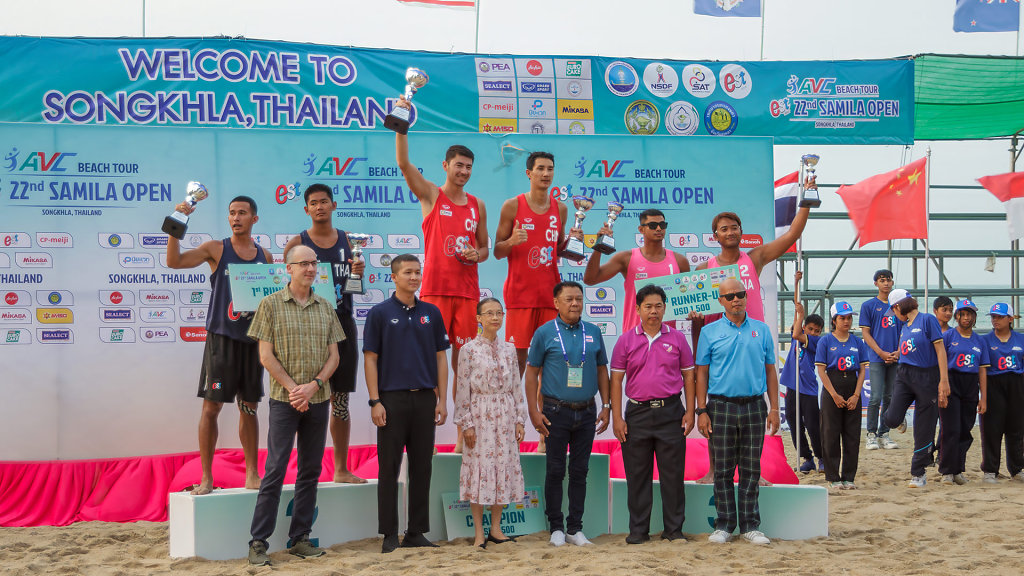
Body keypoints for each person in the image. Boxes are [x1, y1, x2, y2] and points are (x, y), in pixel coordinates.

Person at [395, 97, 489, 453]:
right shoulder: (431, 195)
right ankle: (427, 440)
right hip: (435, 292)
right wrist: (402, 124)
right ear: (446, 165)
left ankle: (463, 439)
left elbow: (484, 247)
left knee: (465, 367)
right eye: (458, 165)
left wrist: (476, 254)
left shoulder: (478, 204)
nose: (463, 171)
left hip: (467, 295)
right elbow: (404, 164)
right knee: (428, 364)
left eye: (468, 167)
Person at [245, 245, 345, 566]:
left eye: (314, 263)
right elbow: (265, 355)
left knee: (310, 470)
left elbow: (334, 357)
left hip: (318, 400)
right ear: (288, 268)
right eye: (304, 263)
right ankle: (258, 542)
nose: (311, 269)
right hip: (284, 401)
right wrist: (294, 390)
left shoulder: (326, 307)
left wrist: (314, 385)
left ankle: (300, 538)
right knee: (275, 469)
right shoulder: (270, 304)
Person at [166, 195, 272, 495]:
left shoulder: (265, 256)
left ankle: (252, 474)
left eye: (242, 213)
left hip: (252, 342)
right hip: (221, 340)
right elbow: (174, 262)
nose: (236, 217)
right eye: (232, 213)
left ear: (254, 219)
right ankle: (206, 477)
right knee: (211, 407)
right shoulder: (216, 248)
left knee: (249, 407)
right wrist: (177, 221)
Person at [363, 254, 450, 552]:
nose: (414, 277)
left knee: (422, 467)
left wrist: (442, 399)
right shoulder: (379, 313)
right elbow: (370, 359)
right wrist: (375, 400)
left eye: (417, 272)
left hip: (425, 398)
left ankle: (415, 532)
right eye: (408, 272)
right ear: (394, 277)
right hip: (391, 399)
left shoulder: (431, 313)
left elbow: (441, 358)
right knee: (388, 467)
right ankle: (389, 534)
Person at [283, 183, 366, 484]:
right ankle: (305, 472)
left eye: (324, 202)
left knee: (340, 402)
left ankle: (341, 469)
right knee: (304, 399)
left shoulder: (349, 240)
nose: (319, 207)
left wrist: (358, 274)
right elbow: (285, 286)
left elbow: (355, 288)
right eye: (314, 203)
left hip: (341, 325)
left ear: (333, 205)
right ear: (306, 209)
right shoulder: (297, 243)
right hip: (306, 328)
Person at [695, 277, 780, 546]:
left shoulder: (762, 330)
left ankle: (750, 526)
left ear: (746, 296)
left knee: (751, 468)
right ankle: (724, 525)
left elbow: (770, 370)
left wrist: (774, 408)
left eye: (740, 294)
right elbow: (701, 373)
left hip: (755, 405)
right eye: (729, 296)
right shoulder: (709, 332)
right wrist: (701, 410)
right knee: (722, 469)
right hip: (720, 406)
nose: (736, 300)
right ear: (720, 300)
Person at [525, 281, 610, 547]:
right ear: (556, 303)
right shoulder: (544, 333)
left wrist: (606, 405)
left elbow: (602, 370)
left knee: (580, 471)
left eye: (579, 299)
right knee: (555, 470)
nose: (575, 304)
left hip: (587, 411)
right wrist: (533, 410)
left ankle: (575, 528)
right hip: (555, 411)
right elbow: (531, 373)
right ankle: (556, 528)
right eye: (569, 299)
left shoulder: (593, 331)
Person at [610, 284, 695, 545]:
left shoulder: (677, 338)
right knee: (638, 476)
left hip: (671, 412)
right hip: (637, 414)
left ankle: (674, 530)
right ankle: (638, 531)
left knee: (673, 475)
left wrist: (690, 411)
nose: (653, 311)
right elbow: (616, 380)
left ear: (665, 308)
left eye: (658, 306)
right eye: (648, 306)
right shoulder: (625, 340)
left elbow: (689, 376)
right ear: (638, 309)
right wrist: (617, 418)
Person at [494, 151, 581, 374]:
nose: (546, 174)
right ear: (529, 173)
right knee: (517, 360)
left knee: (550, 359)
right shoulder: (512, 206)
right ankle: (513, 399)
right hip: (520, 295)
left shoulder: (561, 209)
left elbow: (558, 250)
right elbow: (497, 251)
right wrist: (512, 241)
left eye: (550, 169)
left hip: (550, 296)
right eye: (540, 169)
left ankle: (544, 400)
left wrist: (573, 241)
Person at [453, 298, 527, 548]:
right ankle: (479, 533)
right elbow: (462, 389)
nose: (495, 318)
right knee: (478, 470)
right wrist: (466, 424)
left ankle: (496, 529)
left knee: (503, 468)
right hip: (480, 415)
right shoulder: (468, 350)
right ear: (479, 318)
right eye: (489, 313)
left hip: (506, 415)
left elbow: (516, 386)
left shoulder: (509, 349)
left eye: (499, 313)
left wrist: (519, 419)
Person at [883, 289, 950, 488]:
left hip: (927, 377)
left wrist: (943, 380)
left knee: (923, 429)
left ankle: (918, 473)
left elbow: (940, 350)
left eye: (893, 310)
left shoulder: (928, 320)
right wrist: (899, 353)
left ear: (898, 306)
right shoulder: (905, 326)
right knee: (891, 418)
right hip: (904, 374)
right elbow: (912, 346)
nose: (894, 314)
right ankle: (900, 417)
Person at [582, 208, 690, 332]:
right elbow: (590, 279)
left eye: (662, 225)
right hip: (634, 336)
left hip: (667, 337)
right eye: (653, 225)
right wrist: (599, 246)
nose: (659, 228)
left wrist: (693, 312)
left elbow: (689, 303)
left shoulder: (680, 261)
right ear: (641, 229)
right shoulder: (626, 259)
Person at [696, 208, 811, 322]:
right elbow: (698, 317)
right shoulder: (704, 269)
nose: (730, 233)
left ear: (741, 232)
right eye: (724, 229)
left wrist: (805, 205)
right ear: (715, 236)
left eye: (734, 228)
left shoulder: (754, 258)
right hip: (718, 333)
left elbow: (792, 235)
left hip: (752, 333)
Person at [814, 301, 868, 491]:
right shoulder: (825, 341)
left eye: (849, 318)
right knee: (830, 434)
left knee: (852, 435)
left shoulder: (857, 342)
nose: (847, 321)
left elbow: (862, 370)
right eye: (842, 318)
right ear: (834, 320)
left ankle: (849, 477)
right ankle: (833, 477)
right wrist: (834, 395)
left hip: (852, 385)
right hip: (832, 386)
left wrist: (856, 395)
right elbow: (821, 371)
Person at [939, 299, 988, 485]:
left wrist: (983, 397)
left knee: (965, 430)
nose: (966, 318)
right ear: (957, 316)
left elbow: (982, 370)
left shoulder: (980, 340)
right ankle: (946, 471)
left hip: (970, 384)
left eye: (970, 314)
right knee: (950, 429)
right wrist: (941, 387)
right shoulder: (948, 336)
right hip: (951, 382)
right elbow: (940, 364)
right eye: (963, 314)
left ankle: (958, 470)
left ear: (974, 317)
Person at [859, 269, 904, 451]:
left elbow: (905, 331)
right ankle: (871, 434)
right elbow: (866, 333)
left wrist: (898, 352)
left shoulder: (899, 306)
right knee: (875, 397)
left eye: (888, 280)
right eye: (882, 280)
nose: (886, 283)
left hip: (895, 358)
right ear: (876, 283)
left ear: (893, 282)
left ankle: (884, 433)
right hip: (877, 358)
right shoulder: (869, 305)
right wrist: (881, 352)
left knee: (890, 397)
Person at [980, 302, 1024, 484]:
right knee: (991, 428)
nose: (995, 320)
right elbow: (982, 368)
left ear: (1010, 319)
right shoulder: (985, 340)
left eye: (1000, 317)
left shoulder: (1020, 339)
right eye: (993, 317)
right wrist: (983, 396)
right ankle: (990, 470)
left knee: (1016, 428)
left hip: (1016, 383)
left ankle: (1017, 469)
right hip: (994, 383)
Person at [782, 296, 825, 474]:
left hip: (808, 389)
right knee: (794, 423)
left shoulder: (815, 341)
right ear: (805, 326)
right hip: (793, 387)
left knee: (812, 425)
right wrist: (796, 284)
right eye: (810, 329)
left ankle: (821, 457)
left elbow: (796, 333)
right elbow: (796, 319)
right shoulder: (798, 334)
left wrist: (801, 314)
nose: (813, 332)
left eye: (817, 330)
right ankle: (807, 458)